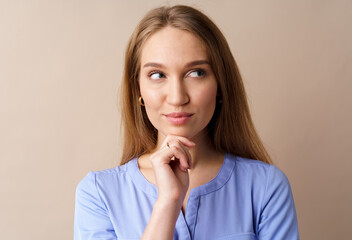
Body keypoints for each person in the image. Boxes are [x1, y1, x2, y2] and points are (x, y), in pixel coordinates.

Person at [74, 5, 299, 240]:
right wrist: (168, 203)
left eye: (196, 73)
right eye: (157, 75)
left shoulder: (265, 187)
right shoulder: (98, 194)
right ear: (137, 89)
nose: (177, 97)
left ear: (220, 85)